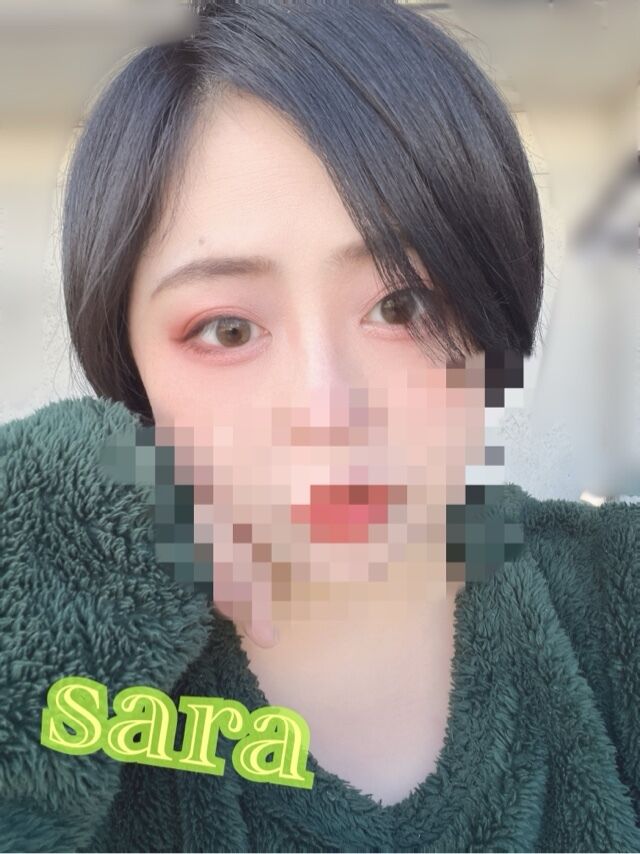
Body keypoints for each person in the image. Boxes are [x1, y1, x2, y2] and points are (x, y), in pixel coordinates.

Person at [1, 2, 639, 852]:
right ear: (131, 368)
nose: (329, 412)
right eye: (229, 329)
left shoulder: (614, 600)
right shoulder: (61, 667)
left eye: (403, 306)